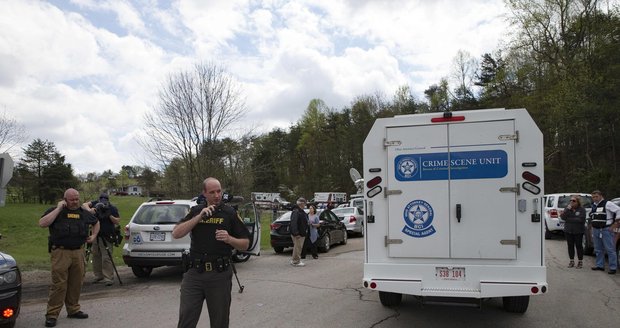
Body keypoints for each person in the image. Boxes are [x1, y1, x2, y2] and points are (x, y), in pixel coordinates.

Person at [172, 177, 250, 328]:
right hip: (194, 273)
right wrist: (199, 216)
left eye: (219, 191)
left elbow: (245, 244)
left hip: (219, 275)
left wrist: (229, 239)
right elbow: (176, 233)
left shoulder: (229, 213)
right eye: (212, 192)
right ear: (204, 193)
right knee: (186, 318)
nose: (216, 195)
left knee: (219, 322)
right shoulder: (195, 211)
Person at [38, 188, 100, 328]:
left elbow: (96, 222)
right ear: (65, 199)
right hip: (61, 253)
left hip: (78, 252)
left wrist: (94, 235)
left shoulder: (83, 213)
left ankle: (73, 309)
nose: (75, 202)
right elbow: (42, 223)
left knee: (76, 283)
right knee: (59, 285)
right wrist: (59, 209)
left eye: (77, 199)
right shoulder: (56, 211)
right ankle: (52, 314)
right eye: (72, 199)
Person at [83, 192, 121, 286]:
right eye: (101, 199)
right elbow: (84, 205)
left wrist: (109, 215)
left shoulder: (112, 208)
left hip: (107, 235)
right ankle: (98, 275)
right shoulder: (95, 204)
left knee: (106, 256)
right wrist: (90, 210)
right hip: (95, 234)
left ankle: (108, 278)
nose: (102, 202)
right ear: (99, 199)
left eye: (105, 200)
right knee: (95, 255)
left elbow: (117, 221)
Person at [590, 190, 620, 274]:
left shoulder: (608, 204)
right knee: (598, 249)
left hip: (606, 229)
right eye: (593, 197)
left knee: (610, 249)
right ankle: (600, 266)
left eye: (596, 196)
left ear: (601, 196)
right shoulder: (594, 206)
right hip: (596, 230)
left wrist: (616, 223)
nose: (595, 198)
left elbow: (618, 210)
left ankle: (613, 268)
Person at [560, 195, 586, 268]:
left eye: (574, 201)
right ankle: (571, 261)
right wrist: (567, 210)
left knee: (579, 246)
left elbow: (581, 220)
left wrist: (569, 219)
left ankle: (580, 261)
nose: (571, 202)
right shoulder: (568, 209)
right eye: (570, 200)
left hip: (578, 231)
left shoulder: (581, 209)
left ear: (578, 202)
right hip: (568, 230)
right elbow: (563, 217)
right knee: (570, 246)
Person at [289, 197, 309, 267]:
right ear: (301, 204)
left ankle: (295, 260)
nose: (305, 205)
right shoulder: (296, 211)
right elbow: (294, 223)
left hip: (301, 232)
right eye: (304, 204)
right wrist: (296, 233)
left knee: (297, 247)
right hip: (298, 233)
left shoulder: (300, 211)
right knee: (298, 247)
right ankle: (296, 261)